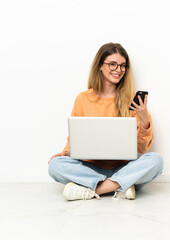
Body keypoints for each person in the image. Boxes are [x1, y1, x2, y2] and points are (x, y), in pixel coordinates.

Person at [48, 43, 163, 201]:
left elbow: (142, 149)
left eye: (123, 65)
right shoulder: (83, 98)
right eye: (112, 64)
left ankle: (94, 189)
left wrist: (143, 118)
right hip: (91, 167)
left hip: (123, 167)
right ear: (100, 66)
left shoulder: (132, 101)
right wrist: (66, 152)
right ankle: (121, 185)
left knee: (156, 161)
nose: (119, 69)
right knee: (55, 165)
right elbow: (75, 135)